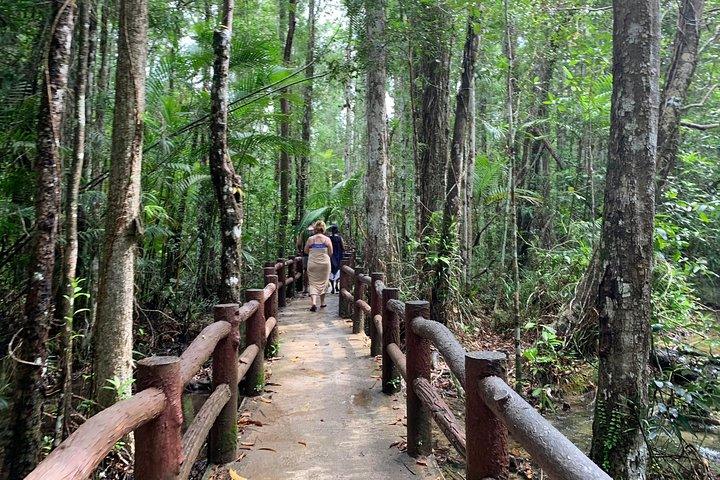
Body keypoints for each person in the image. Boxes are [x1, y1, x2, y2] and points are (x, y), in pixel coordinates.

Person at [304, 221, 333, 311]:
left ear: (315, 229)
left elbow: (305, 251)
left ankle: (313, 303)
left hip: (312, 263)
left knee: (313, 283)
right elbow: (331, 252)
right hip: (324, 264)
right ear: (323, 228)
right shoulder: (327, 239)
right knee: (323, 282)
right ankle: (323, 302)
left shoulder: (310, 239)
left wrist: (313, 253)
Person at [296, 225, 314, 294]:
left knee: (306, 270)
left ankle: (306, 288)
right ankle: (312, 288)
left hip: (305, 254)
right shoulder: (315, 232)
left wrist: (300, 251)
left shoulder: (304, 232)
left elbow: (299, 243)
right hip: (314, 253)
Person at [328, 224, 345, 294]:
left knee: (331, 271)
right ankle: (337, 286)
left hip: (331, 257)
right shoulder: (339, 238)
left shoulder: (329, 238)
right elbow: (343, 247)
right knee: (338, 271)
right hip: (338, 257)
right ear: (337, 231)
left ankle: (332, 287)